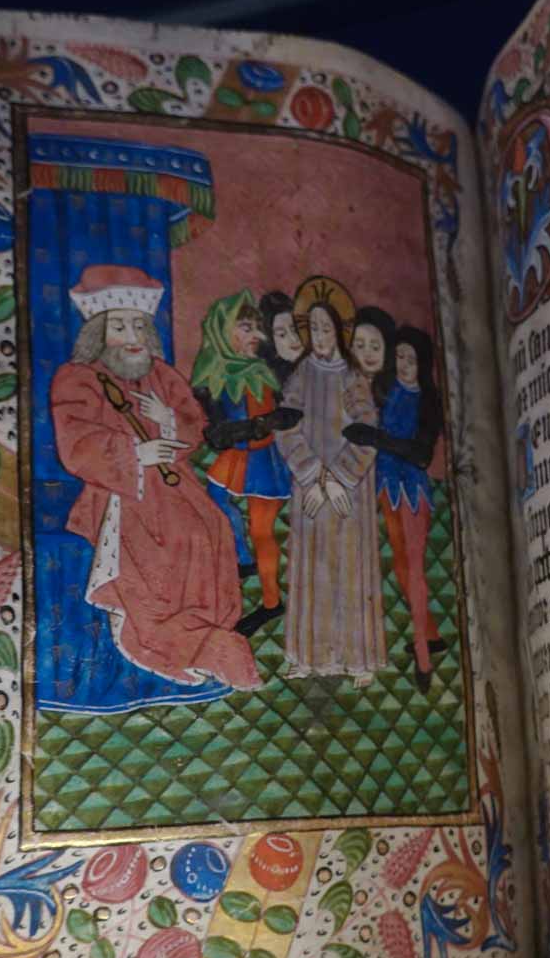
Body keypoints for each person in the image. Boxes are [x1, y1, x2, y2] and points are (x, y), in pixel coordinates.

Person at [48, 264, 260, 690]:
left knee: (211, 528)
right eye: (119, 326)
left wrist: (168, 422)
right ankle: (174, 640)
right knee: (159, 543)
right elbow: (76, 444)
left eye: (138, 326)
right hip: (118, 491)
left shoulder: (161, 374)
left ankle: (203, 629)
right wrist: (136, 454)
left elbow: (193, 427)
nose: (131, 336)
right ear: (98, 332)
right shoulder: (77, 378)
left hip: (175, 484)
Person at [275, 278, 388, 678]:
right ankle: (311, 658)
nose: (320, 336)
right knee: (312, 570)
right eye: (314, 329)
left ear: (340, 330)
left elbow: (367, 429)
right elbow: (286, 425)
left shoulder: (352, 377)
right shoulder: (302, 373)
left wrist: (339, 477)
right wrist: (314, 474)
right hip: (310, 485)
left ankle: (357, 660)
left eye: (327, 328)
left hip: (348, 491)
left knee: (350, 569)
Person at [189, 289, 301, 637]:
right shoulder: (210, 375)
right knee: (214, 497)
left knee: (262, 531)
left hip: (263, 460)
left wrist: (270, 422)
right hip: (237, 454)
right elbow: (217, 431)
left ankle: (271, 602)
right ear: (224, 332)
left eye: (257, 328)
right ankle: (243, 558)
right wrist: (257, 425)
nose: (257, 336)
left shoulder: (266, 371)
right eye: (246, 328)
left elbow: (289, 412)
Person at [346, 325, 446, 689]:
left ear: (423, 363)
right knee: (402, 567)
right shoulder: (388, 391)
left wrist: (377, 438)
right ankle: (431, 637)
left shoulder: (427, 401)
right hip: (386, 488)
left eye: (411, 359)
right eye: (400, 356)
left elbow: (421, 455)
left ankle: (423, 657)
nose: (404, 364)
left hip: (411, 492)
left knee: (415, 570)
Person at [257, 290, 304, 388]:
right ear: (271, 342)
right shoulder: (268, 383)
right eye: (282, 335)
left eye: (295, 329)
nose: (293, 338)